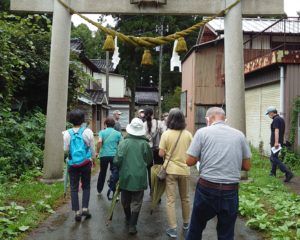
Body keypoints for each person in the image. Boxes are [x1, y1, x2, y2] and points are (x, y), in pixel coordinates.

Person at [185, 107, 251, 240]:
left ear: (208, 119)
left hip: (206, 188)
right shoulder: (239, 135)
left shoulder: (202, 133)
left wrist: (203, 156)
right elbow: (247, 166)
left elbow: (189, 161)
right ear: (224, 118)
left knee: (196, 228)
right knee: (226, 232)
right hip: (230, 190)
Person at [114, 118, 153, 235]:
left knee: (125, 200)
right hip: (139, 176)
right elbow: (149, 160)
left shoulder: (123, 143)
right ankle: (132, 225)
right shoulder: (145, 144)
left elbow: (117, 160)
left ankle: (128, 217)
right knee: (137, 201)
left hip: (125, 176)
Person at [158, 108, 193, 238]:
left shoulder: (166, 134)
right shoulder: (188, 134)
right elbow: (192, 152)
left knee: (170, 200)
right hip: (184, 170)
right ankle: (186, 225)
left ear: (169, 120)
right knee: (185, 198)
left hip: (171, 170)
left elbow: (161, 153)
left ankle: (172, 229)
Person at [63, 109, 96, 222]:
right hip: (86, 162)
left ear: (70, 120)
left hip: (73, 164)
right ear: (83, 120)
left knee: (73, 187)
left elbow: (66, 149)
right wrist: (94, 159)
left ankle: (77, 212)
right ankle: (85, 208)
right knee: (86, 186)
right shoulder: (88, 132)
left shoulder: (67, 133)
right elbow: (92, 148)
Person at [266, 106, 294, 182]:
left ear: (272, 113)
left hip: (276, 143)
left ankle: (288, 173)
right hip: (279, 142)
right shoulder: (281, 119)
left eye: (268, 114)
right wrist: (284, 140)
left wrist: (276, 142)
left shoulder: (276, 120)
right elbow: (283, 132)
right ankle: (273, 173)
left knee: (274, 158)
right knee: (273, 157)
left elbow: (277, 131)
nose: (269, 115)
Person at [96, 117, 122, 195]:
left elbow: (100, 142)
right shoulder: (118, 133)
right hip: (114, 155)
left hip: (103, 155)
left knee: (102, 172)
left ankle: (99, 190)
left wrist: (97, 152)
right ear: (114, 125)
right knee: (115, 173)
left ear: (106, 124)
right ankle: (115, 192)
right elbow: (121, 144)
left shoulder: (102, 132)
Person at [143, 108, 164, 190]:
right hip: (158, 149)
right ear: (153, 114)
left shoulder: (143, 124)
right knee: (158, 169)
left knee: (149, 170)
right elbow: (164, 133)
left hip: (148, 150)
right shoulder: (159, 123)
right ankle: (157, 191)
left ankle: (152, 189)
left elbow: (143, 137)